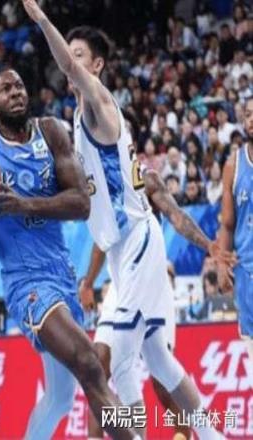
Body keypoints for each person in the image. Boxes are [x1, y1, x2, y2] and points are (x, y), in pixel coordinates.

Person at [21, 1, 224, 438]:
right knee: (155, 361)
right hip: (119, 250)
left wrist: (41, 19)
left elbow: (70, 69)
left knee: (104, 360)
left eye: (79, 55)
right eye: (70, 54)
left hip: (138, 241)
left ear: (96, 65)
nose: (71, 62)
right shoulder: (79, 119)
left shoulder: (100, 105)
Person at [0, 68, 138, 440]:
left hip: (61, 276)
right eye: (5, 89)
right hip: (27, 284)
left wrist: (25, 204)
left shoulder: (51, 132)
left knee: (59, 399)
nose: (15, 92)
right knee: (90, 364)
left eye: (20, 86)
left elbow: (80, 203)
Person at [79, 167, 234, 439]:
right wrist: (89, 282)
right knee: (100, 366)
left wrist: (207, 245)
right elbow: (100, 241)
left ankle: (193, 433)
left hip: (150, 278)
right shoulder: (99, 186)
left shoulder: (145, 179)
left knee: (159, 375)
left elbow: (176, 216)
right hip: (120, 283)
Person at [218, 97, 253, 363]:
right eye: (248, 115)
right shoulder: (233, 164)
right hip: (246, 271)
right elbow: (228, 224)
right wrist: (222, 264)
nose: (251, 120)